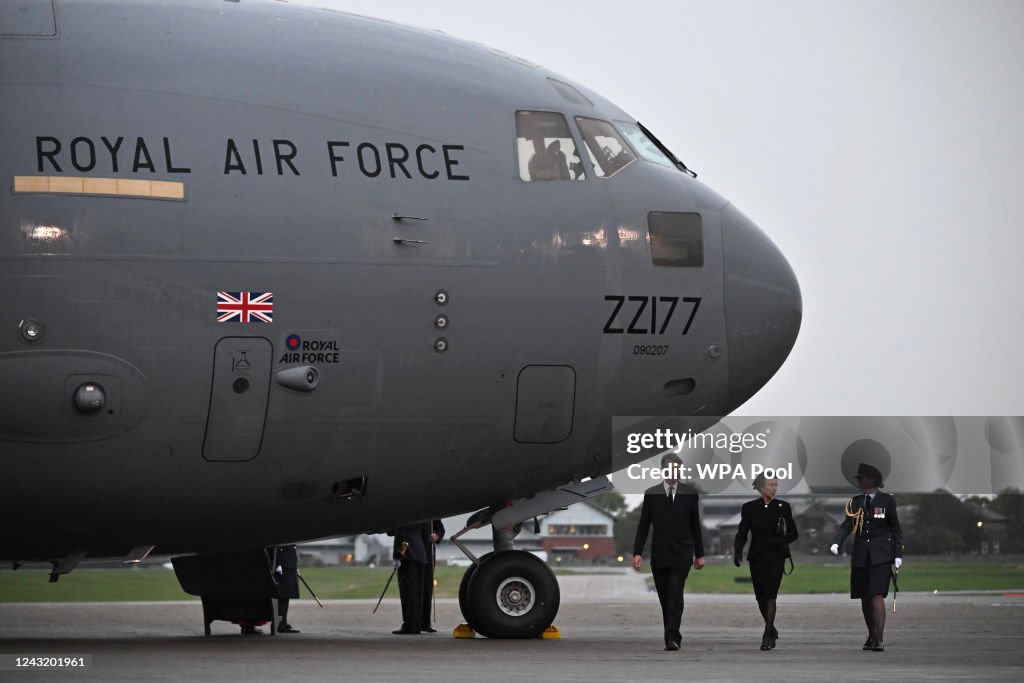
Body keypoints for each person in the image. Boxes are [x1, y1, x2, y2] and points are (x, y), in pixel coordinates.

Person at [632, 453, 705, 651]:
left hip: (682, 553)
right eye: (673, 468)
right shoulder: (652, 493)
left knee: (675, 593)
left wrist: (699, 554)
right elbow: (644, 526)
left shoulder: (689, 493)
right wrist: (637, 552)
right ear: (664, 470)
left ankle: (673, 638)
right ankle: (670, 633)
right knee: (665, 597)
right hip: (660, 554)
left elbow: (695, 525)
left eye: (679, 469)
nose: (677, 472)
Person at [830, 462, 903, 652]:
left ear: (872, 479)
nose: (859, 480)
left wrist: (898, 554)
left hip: (881, 556)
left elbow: (895, 529)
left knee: (876, 596)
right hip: (861, 555)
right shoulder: (855, 501)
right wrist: (837, 542)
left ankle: (879, 638)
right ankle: (871, 634)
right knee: (864, 597)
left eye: (862, 477)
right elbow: (847, 524)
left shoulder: (887, 501)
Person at [733, 474, 798, 650]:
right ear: (762, 488)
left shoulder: (783, 507)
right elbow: (742, 532)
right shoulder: (749, 508)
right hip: (757, 556)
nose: (774, 488)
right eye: (771, 485)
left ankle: (767, 634)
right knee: (760, 596)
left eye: (776, 485)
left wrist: (778, 541)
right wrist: (737, 551)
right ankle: (772, 628)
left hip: (776, 557)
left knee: (771, 594)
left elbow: (794, 534)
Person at [389, 521, 434, 635]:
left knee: (408, 593)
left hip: (406, 553)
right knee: (417, 593)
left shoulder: (401, 513)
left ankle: (410, 626)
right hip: (420, 553)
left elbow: (390, 531)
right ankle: (416, 624)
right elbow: (426, 534)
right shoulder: (422, 515)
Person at [420, 519, 445, 633]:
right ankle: (415, 622)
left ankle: (425, 623)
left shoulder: (431, 514)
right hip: (415, 550)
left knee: (427, 589)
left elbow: (440, 528)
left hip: (428, 551)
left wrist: (437, 536)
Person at [275, 545, 300, 633]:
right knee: (282, 597)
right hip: (283, 565)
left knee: (286, 597)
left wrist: (295, 566)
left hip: (290, 565)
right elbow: (276, 547)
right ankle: (280, 623)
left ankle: (283, 622)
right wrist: (278, 564)